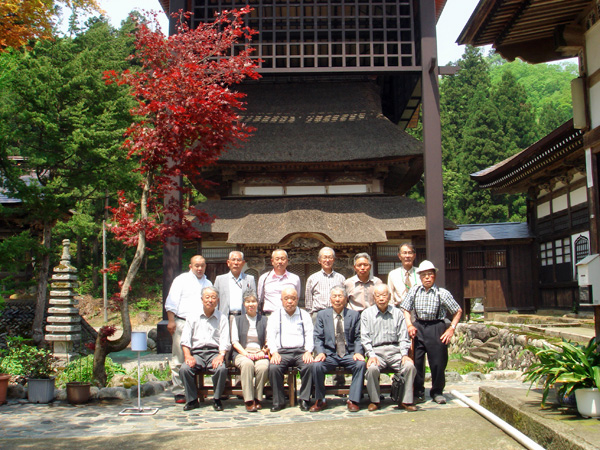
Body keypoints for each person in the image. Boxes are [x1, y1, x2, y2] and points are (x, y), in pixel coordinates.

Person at [401, 260, 463, 405]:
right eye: (424, 275)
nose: (427, 277)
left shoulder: (442, 293)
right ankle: (418, 391)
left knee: (438, 362)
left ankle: (437, 391)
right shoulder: (414, 290)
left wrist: (451, 328)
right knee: (417, 361)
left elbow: (457, 310)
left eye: (430, 274)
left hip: (437, 327)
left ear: (434, 276)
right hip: (419, 326)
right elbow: (405, 308)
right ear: (420, 277)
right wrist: (409, 324)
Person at [361, 284, 417, 412]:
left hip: (395, 351)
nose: (381, 298)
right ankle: (375, 400)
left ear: (389, 297)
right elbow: (365, 338)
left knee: (409, 366)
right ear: (374, 297)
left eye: (384, 295)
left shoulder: (398, 313)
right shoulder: (366, 314)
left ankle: (405, 401)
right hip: (376, 352)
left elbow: (403, 337)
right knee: (372, 369)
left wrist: (404, 354)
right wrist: (371, 355)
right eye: (378, 295)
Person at [164, 255, 213, 403]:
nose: (199, 268)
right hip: (182, 322)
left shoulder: (208, 282)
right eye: (196, 265)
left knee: (198, 356)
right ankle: (179, 391)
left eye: (202, 266)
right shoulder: (181, 280)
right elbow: (171, 301)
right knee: (179, 357)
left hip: (201, 323)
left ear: (205, 266)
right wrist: (171, 320)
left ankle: (195, 389)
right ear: (190, 266)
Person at [310, 287, 366, 412]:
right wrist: (320, 352)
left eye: (340, 296)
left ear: (345, 299)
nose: (337, 299)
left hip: (349, 353)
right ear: (330, 299)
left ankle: (353, 400)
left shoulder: (354, 315)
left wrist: (357, 352)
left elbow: (358, 337)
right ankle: (320, 400)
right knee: (317, 366)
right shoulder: (322, 315)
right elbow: (317, 337)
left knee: (360, 364)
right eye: (334, 296)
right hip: (330, 354)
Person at [179, 286, 230, 412]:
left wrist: (221, 356)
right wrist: (188, 356)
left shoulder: (222, 318)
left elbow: (225, 340)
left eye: (213, 297)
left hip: (214, 352)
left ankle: (217, 399)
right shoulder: (192, 316)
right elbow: (185, 340)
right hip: (197, 353)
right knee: (184, 369)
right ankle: (192, 400)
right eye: (207, 297)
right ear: (202, 299)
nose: (210, 300)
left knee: (221, 369)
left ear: (217, 300)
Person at [267, 287, 314, 412]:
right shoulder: (275, 316)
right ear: (281, 300)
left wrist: (308, 351)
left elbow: (309, 334)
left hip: (301, 352)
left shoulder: (304, 315)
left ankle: (304, 399)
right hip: (282, 352)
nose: (289, 302)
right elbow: (270, 336)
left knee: (309, 365)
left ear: (297, 299)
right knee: (274, 368)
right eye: (286, 298)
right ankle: (279, 401)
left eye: (292, 298)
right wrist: (274, 352)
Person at [230, 290, 269, 412]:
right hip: (242, 352)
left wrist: (263, 351)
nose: (251, 304)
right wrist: (246, 354)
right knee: (247, 365)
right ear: (244, 304)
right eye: (248, 302)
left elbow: (269, 339)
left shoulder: (264, 320)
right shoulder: (237, 320)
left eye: (253, 301)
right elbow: (235, 341)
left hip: (259, 352)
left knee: (263, 367)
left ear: (257, 303)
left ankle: (258, 398)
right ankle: (248, 400)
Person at [305, 247, 346, 322]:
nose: (327, 260)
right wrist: (310, 315)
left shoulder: (341, 278)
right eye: (325, 257)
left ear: (333, 260)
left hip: (336, 313)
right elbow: (308, 301)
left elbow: (345, 298)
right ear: (319, 260)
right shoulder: (312, 278)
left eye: (330, 257)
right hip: (318, 314)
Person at [214, 250, 257, 320]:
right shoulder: (220, 279)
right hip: (224, 317)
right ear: (228, 262)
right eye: (233, 260)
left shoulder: (250, 279)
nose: (236, 263)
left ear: (243, 263)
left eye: (239, 260)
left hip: (244, 317)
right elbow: (215, 300)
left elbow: (254, 299)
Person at [257, 249, 301, 315]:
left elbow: (297, 297)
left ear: (287, 261)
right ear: (272, 261)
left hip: (288, 314)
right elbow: (260, 298)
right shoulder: (264, 278)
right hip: (269, 314)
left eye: (282, 259)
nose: (280, 262)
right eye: (277, 259)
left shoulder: (295, 278)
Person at [387, 243, 421, 308]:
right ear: (399, 256)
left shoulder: (420, 272)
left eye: (410, 253)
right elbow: (390, 297)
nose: (407, 256)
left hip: (417, 309)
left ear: (414, 256)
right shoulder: (393, 274)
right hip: (400, 309)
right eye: (404, 253)